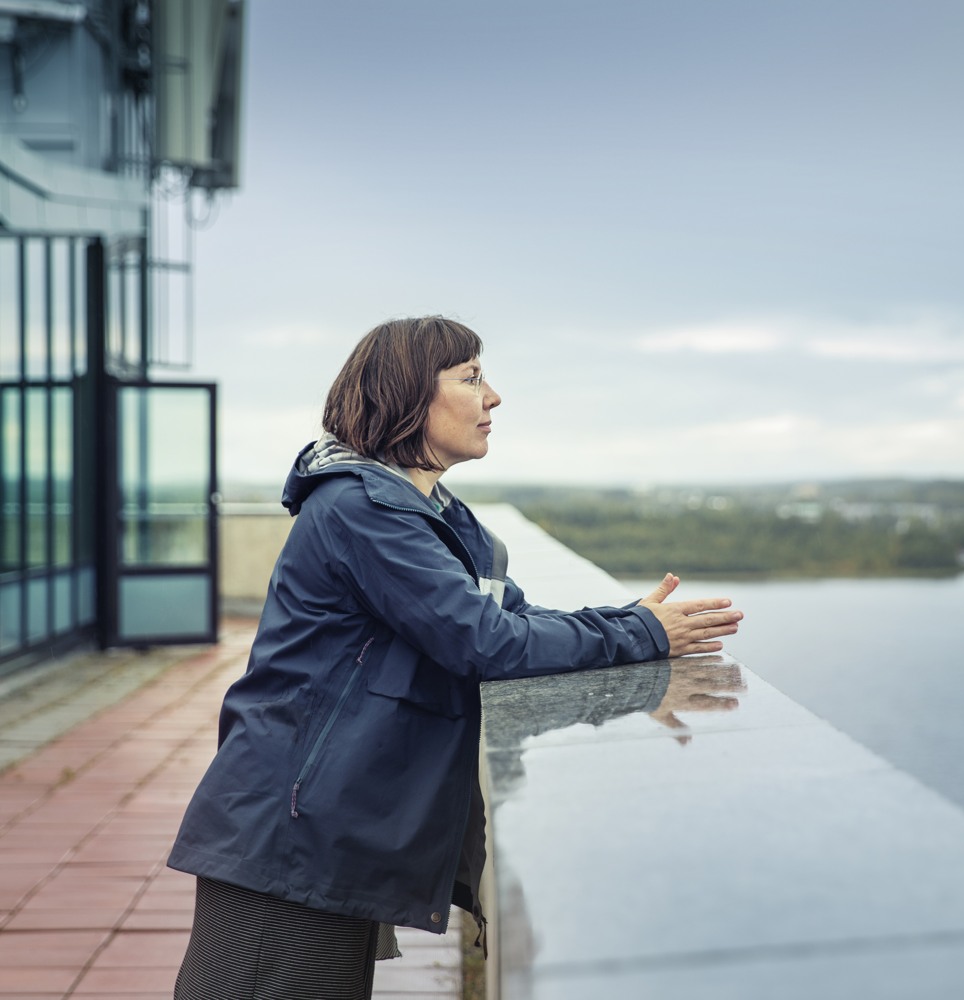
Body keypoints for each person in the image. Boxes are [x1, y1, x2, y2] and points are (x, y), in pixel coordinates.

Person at [168, 316, 743, 1000]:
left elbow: (514, 618)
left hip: (326, 826)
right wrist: (644, 635)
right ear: (407, 395)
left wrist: (632, 621)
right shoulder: (363, 510)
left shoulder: (427, 511)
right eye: (470, 378)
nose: (492, 397)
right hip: (287, 836)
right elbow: (487, 641)